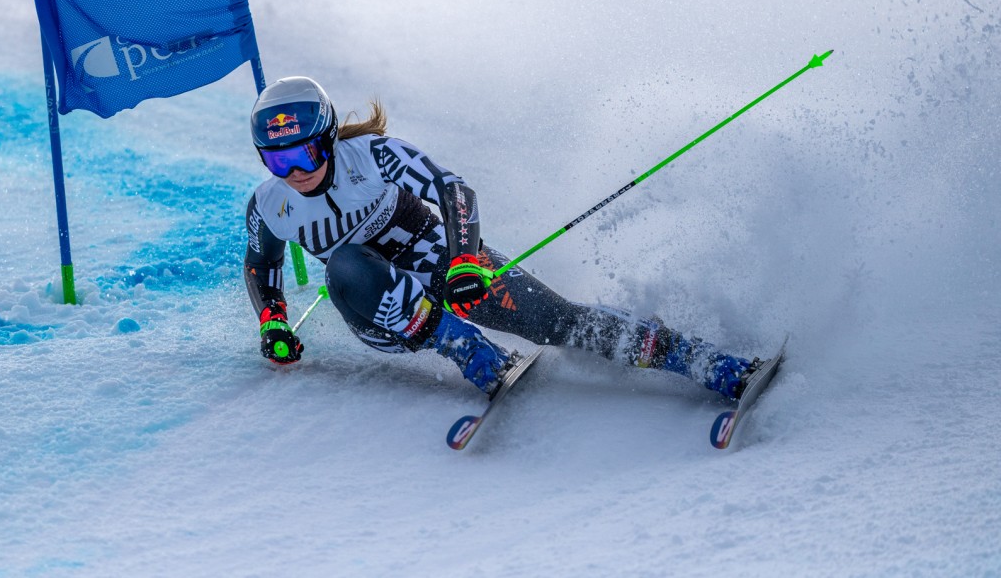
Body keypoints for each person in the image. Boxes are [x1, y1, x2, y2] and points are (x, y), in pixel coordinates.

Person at [242, 75, 762, 400]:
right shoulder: (271, 205)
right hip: (382, 315)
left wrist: (466, 260)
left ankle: (699, 361)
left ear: (329, 138)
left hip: (441, 262)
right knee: (346, 266)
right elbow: (261, 267)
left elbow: (453, 190)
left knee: (557, 320)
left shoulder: (375, 155)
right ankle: (466, 348)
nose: (294, 172)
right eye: (276, 160)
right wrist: (274, 325)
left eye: (304, 155)